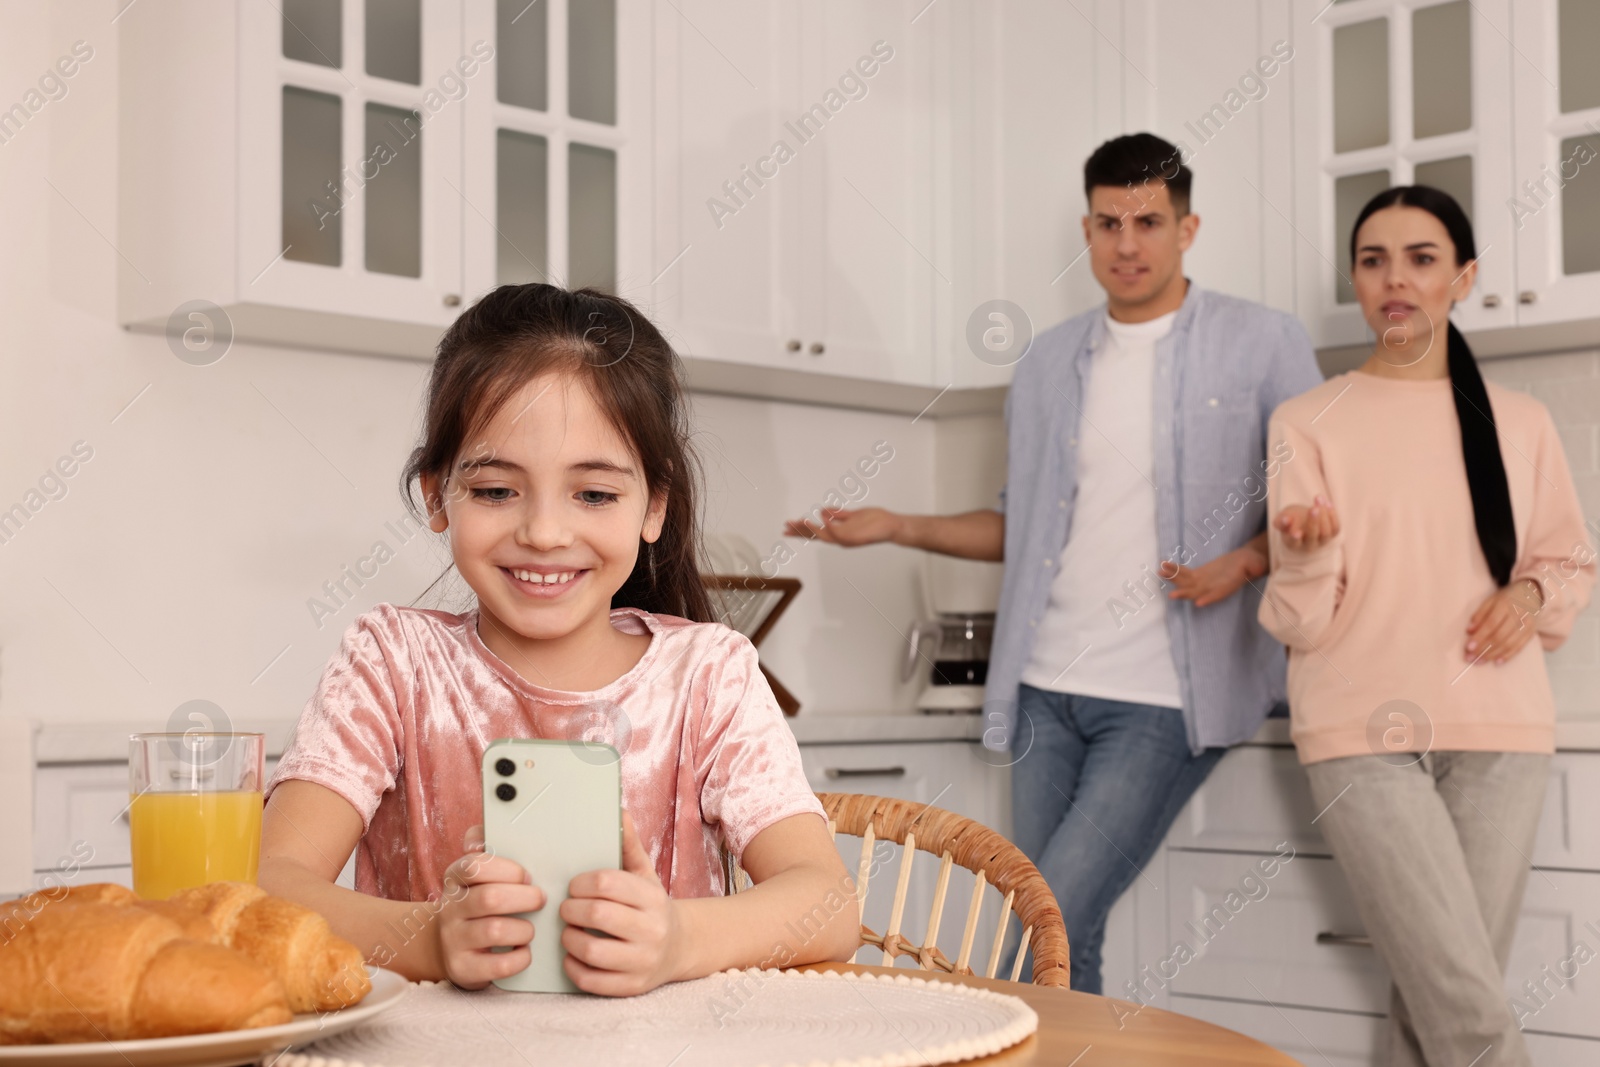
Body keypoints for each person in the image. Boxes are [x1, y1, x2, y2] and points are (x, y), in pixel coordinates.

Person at [785, 133, 1325, 993]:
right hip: (1044, 688)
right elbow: (1021, 528)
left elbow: (1321, 500)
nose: (1127, 242)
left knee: (1041, 921)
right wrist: (895, 524)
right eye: (1109, 222)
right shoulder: (1045, 363)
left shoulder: (1263, 342)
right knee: (1065, 934)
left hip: (1163, 696)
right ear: (1086, 226)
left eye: (1149, 221)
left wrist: (1245, 560)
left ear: (1188, 228)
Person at [259, 284, 858, 995]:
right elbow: (269, 889)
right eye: (495, 491)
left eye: (595, 494)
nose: (544, 533)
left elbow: (827, 902)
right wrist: (431, 938)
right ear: (435, 494)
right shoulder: (392, 663)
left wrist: (677, 939)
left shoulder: (709, 674)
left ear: (654, 504)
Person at [1259, 186, 1594, 1067]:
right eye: (1373, 260)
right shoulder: (1304, 421)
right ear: (1355, 280)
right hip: (1359, 734)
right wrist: (1305, 555)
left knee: (1439, 1001)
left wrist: (1527, 599)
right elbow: (1298, 621)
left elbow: (1567, 563)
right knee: (1467, 1009)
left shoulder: (1520, 422)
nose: (1395, 279)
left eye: (1421, 258)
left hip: (1501, 732)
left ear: (1465, 276)